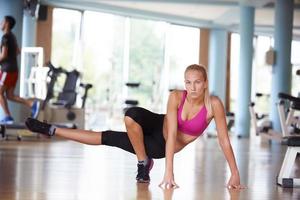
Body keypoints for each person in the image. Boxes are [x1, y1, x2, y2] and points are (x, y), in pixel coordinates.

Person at [25, 64, 244, 189]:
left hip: (161, 145)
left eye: (197, 82)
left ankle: (53, 130)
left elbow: (223, 140)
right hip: (159, 123)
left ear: (205, 82)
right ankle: (143, 162)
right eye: (188, 82)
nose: (192, 87)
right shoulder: (177, 96)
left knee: (108, 137)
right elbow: (170, 125)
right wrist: (169, 171)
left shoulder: (213, 104)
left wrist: (234, 173)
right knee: (131, 115)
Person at [0, 16, 40, 123]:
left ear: (7, 23)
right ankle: (32, 104)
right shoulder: (12, 36)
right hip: (14, 70)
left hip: (7, 70)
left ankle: (8, 117)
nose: (0, 23)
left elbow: (3, 55)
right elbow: (17, 51)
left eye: (2, 21)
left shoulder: (5, 37)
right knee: (10, 95)